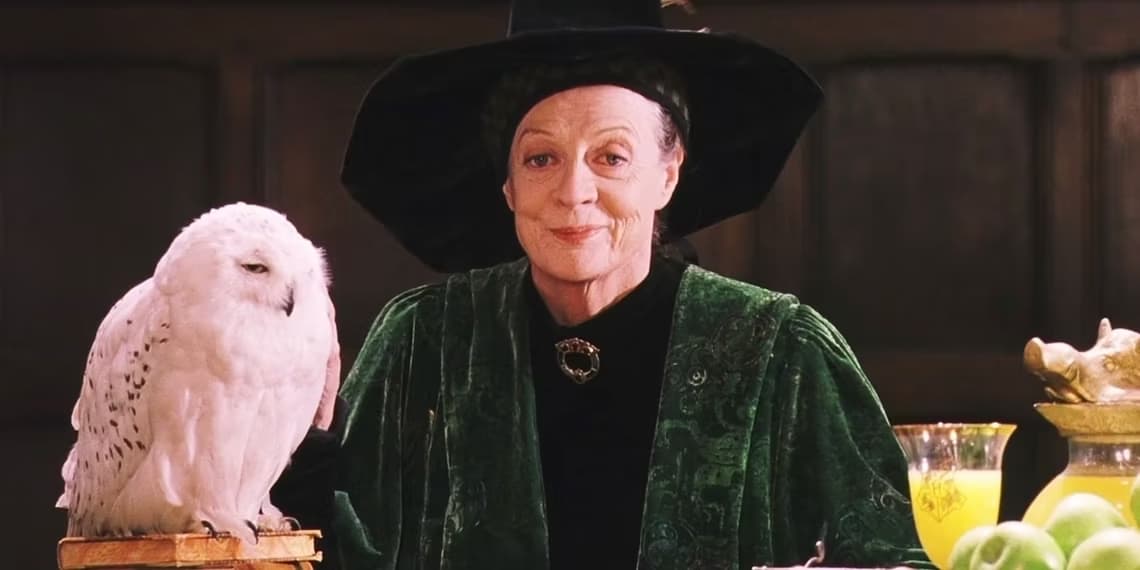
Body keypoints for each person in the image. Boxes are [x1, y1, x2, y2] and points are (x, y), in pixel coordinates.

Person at [275, 0, 935, 568]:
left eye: (611, 156)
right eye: (541, 158)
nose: (574, 192)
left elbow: (892, 555)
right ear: (508, 187)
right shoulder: (421, 342)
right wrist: (296, 456)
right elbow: (318, 548)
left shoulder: (782, 351)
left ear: (668, 174)